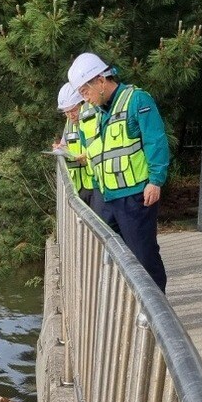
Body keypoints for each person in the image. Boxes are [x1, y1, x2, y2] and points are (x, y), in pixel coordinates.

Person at [68, 52, 170, 290]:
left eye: (85, 91)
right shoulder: (100, 111)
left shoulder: (136, 100)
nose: (85, 99)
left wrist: (156, 181)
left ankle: (156, 306)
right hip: (109, 196)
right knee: (114, 255)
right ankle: (130, 299)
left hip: (135, 196)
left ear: (101, 81)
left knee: (143, 255)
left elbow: (155, 140)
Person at [53, 82, 95, 205]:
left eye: (74, 110)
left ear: (83, 103)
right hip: (78, 186)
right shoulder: (69, 122)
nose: (70, 115)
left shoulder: (94, 118)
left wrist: (87, 156)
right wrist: (61, 148)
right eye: (66, 112)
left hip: (95, 183)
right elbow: (65, 144)